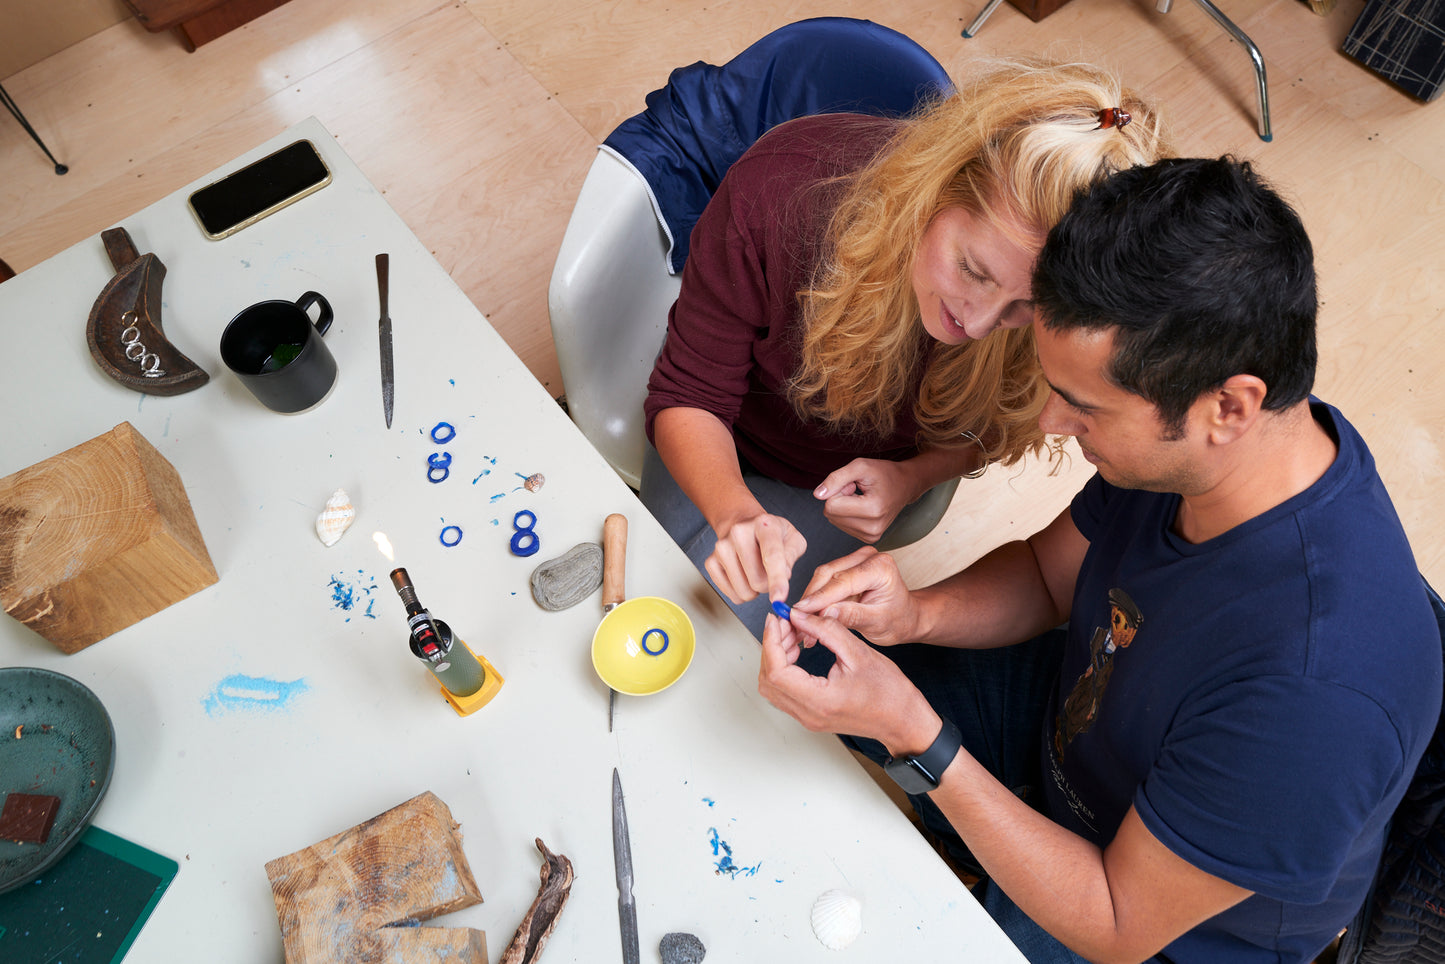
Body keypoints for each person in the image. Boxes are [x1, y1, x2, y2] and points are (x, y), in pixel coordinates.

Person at [757, 156, 1442, 964]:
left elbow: (1116, 920)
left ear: (1228, 406)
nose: (1048, 421)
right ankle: (968, 824)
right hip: (1083, 724)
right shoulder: (1222, 452)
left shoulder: (1315, 693)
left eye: (1081, 405)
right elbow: (1052, 574)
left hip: (1152, 925)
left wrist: (919, 737)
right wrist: (915, 614)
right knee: (825, 673)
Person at [641, 58, 1168, 640]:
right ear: (933, 188)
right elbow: (688, 392)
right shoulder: (781, 192)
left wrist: (915, 476)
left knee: (724, 640)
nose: (978, 323)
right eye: (972, 270)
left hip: (831, 491)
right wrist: (735, 511)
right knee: (649, 583)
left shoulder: (1079, 321)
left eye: (1026, 311)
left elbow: (995, 431)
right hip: (717, 432)